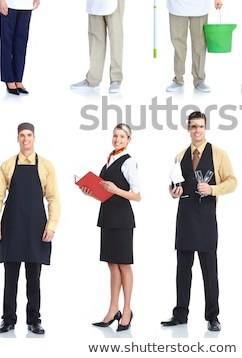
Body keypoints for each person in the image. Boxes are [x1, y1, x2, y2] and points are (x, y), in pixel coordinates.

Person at [161, 111, 237, 331]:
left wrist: (213, 189)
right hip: (184, 218)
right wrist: (173, 192)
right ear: (188, 129)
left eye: (200, 126)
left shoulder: (219, 154)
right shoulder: (180, 155)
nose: (197, 130)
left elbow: (233, 182)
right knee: (182, 270)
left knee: (209, 271)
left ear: (205, 128)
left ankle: (212, 316)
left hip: (206, 220)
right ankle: (180, 314)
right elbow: (175, 184)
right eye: (193, 126)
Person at [0, 123, 60, 334]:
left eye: (29, 135)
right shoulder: (7, 165)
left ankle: (34, 320)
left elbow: (53, 198)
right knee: (10, 277)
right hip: (11, 226)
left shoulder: (46, 166)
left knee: (33, 278)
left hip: (36, 228)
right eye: (22, 135)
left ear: (34, 138)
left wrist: (52, 225)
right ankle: (8, 319)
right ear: (17, 139)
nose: (25, 139)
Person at [80, 123, 140, 331]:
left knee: (124, 264)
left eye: (122, 137)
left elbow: (137, 195)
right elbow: (104, 192)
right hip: (107, 217)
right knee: (111, 264)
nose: (117, 139)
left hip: (122, 219)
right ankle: (113, 308)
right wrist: (91, 192)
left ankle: (127, 310)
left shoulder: (129, 162)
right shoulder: (109, 160)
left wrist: (115, 189)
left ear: (128, 140)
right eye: (115, 136)